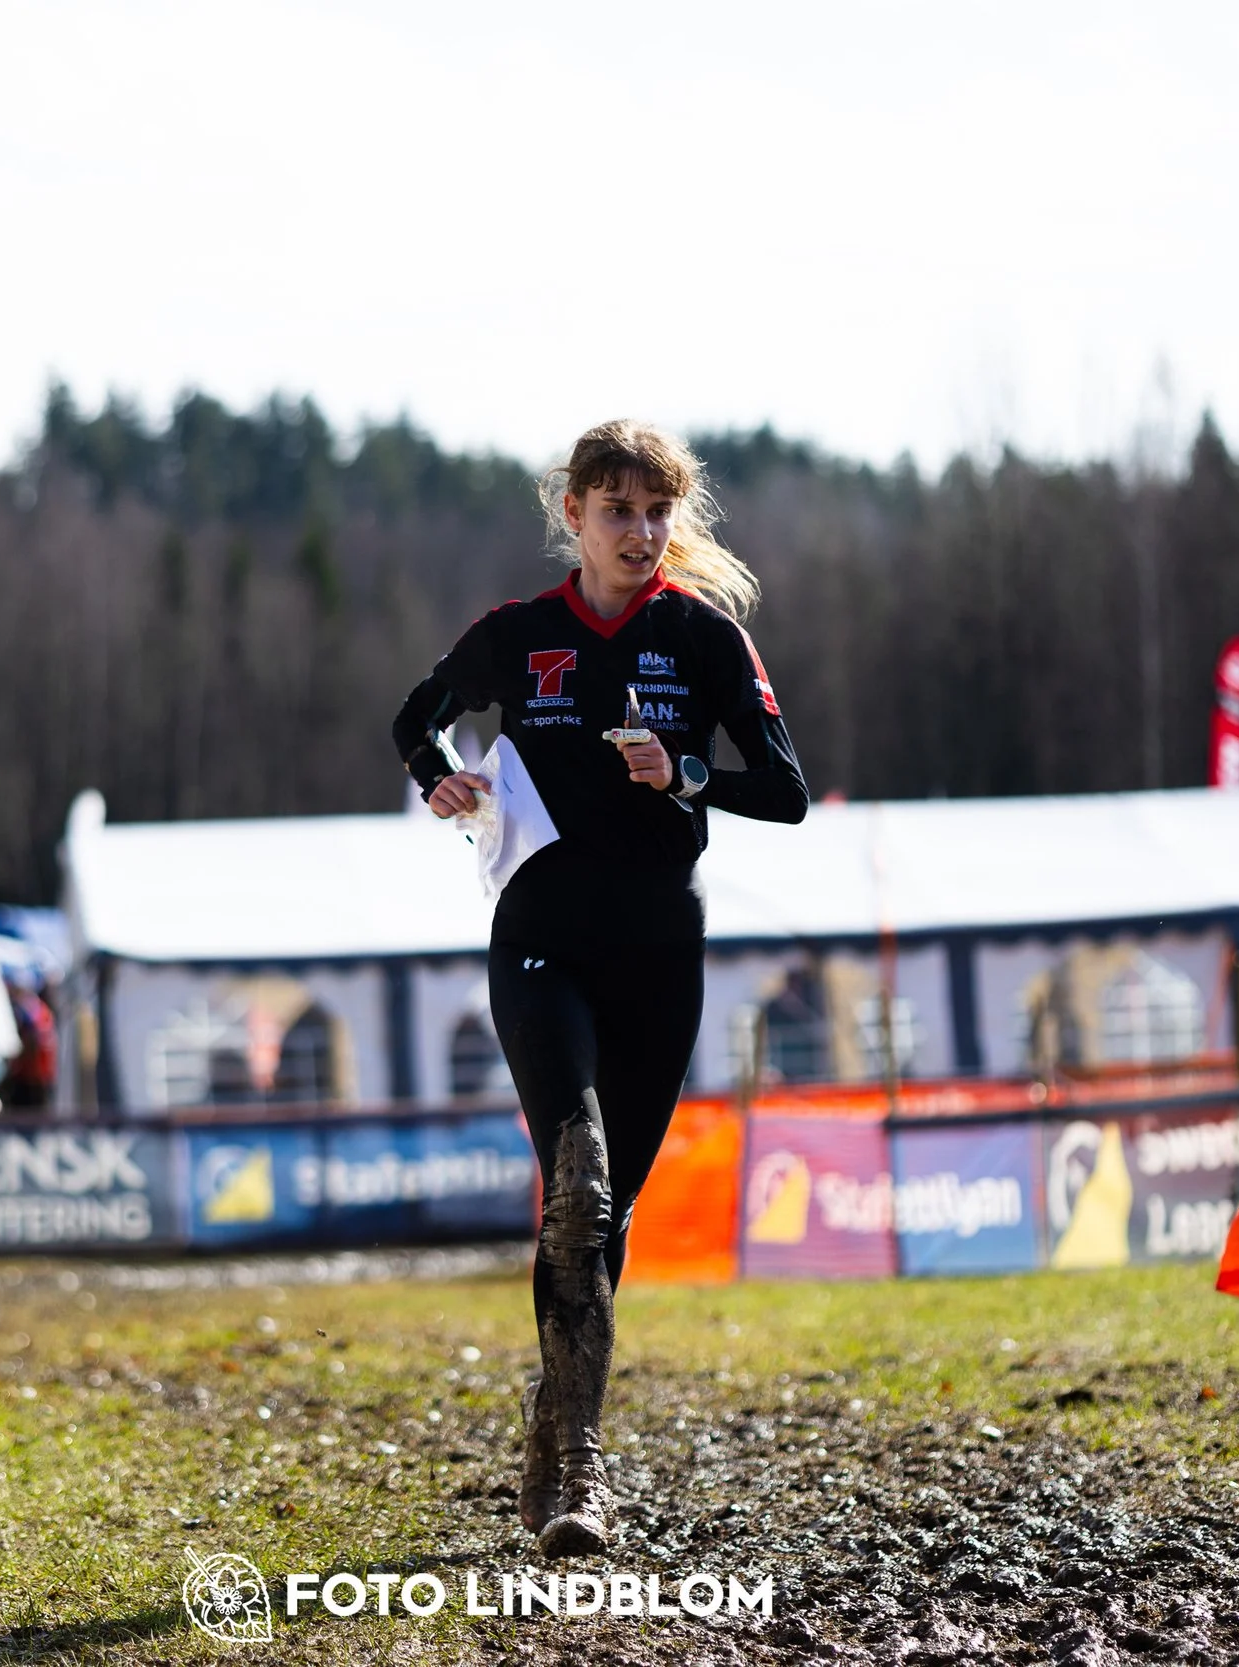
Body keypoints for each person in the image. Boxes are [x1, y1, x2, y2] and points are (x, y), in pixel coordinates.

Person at [391, 419, 809, 1557]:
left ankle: (557, 1425)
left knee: (604, 1215)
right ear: (572, 514)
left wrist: (685, 771)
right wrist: (439, 776)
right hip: (541, 943)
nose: (640, 530)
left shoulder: (704, 637)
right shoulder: (519, 634)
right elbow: (414, 716)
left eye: (657, 510)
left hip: (659, 954)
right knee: (574, 1181)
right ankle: (579, 1467)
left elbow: (785, 789)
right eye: (617, 509)